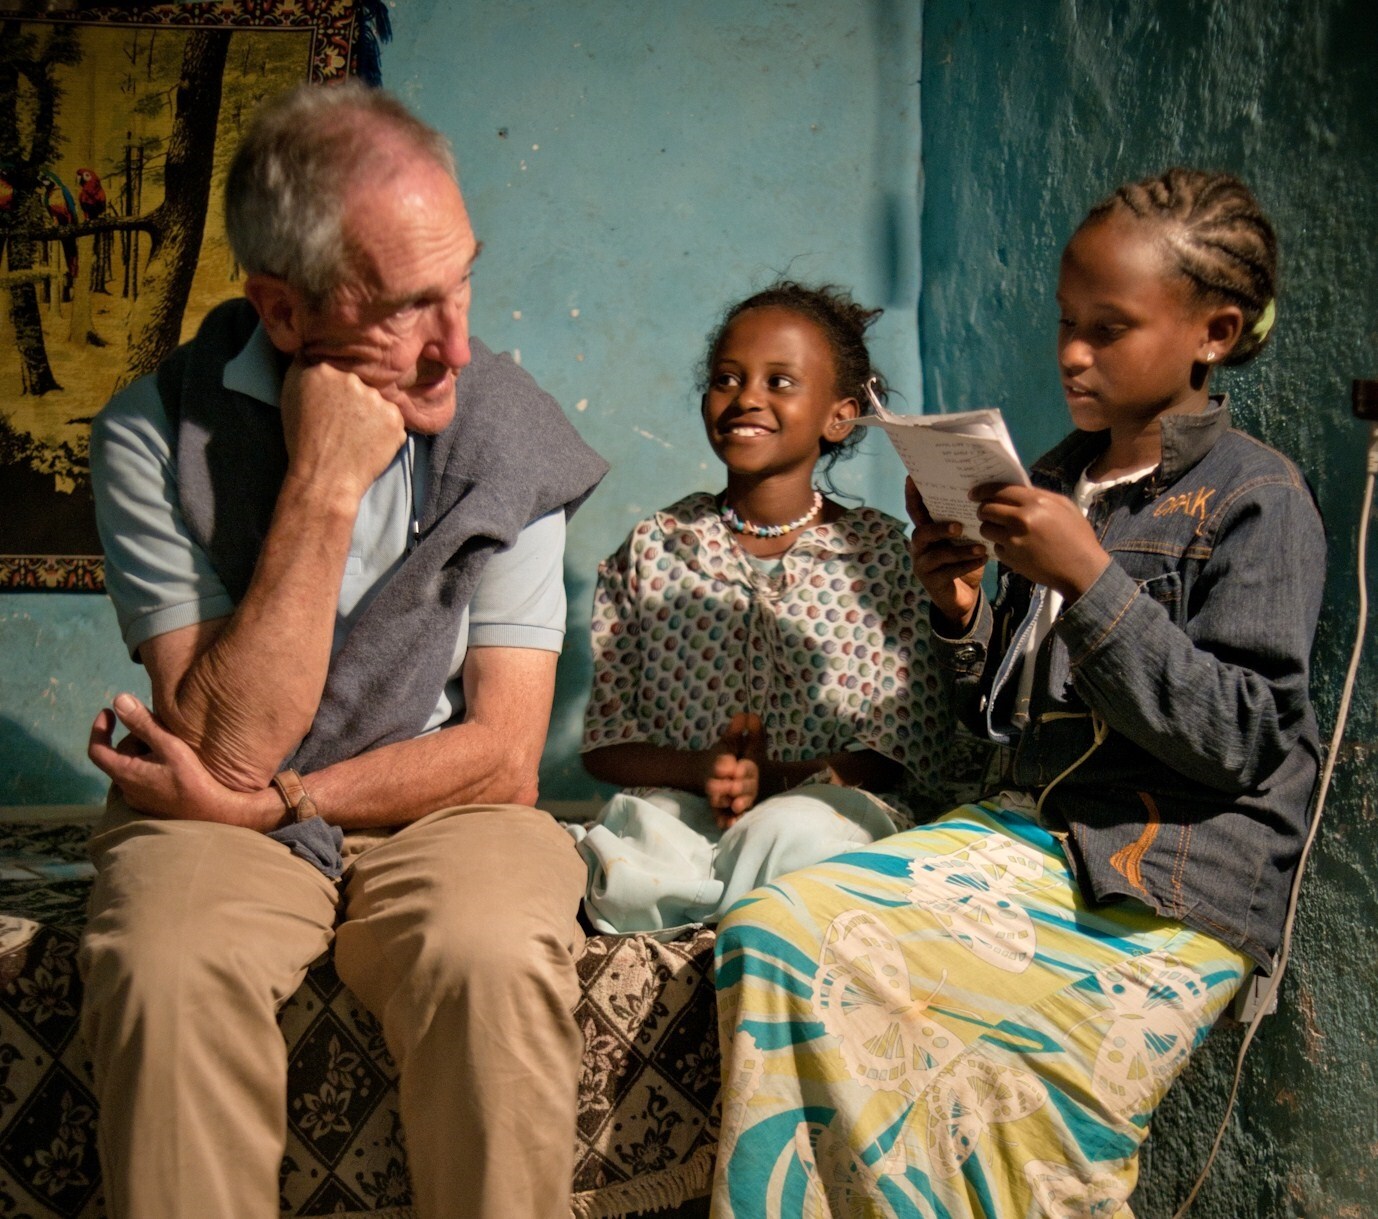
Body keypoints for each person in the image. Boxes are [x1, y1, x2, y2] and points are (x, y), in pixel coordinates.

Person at [710, 169, 1323, 1217]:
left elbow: (1244, 740)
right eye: (1064, 322)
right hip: (1032, 839)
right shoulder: (1056, 476)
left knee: (979, 1098)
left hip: (1166, 878)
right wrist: (960, 610)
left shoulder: (1257, 498)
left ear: (1212, 331)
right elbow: (1008, 718)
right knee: (772, 931)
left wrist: (1089, 577)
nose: (1071, 354)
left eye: (1108, 327)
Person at [78, 83, 607, 1219]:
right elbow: (222, 750)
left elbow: (504, 754)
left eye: (462, 277)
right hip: (212, 802)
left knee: (491, 956)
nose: (458, 344)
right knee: (166, 968)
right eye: (411, 306)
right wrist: (321, 483)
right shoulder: (148, 432)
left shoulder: (507, 427)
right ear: (280, 311)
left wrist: (281, 804)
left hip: (440, 803)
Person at [572, 282, 980, 934]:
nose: (747, 397)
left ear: (839, 416)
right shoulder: (654, 548)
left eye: (779, 381)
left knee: (797, 835)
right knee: (637, 837)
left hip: (827, 809)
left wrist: (779, 779)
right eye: (726, 378)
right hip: (688, 812)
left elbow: (900, 744)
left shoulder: (879, 554)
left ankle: (720, 913)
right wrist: (702, 771)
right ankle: (728, 907)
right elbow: (606, 743)